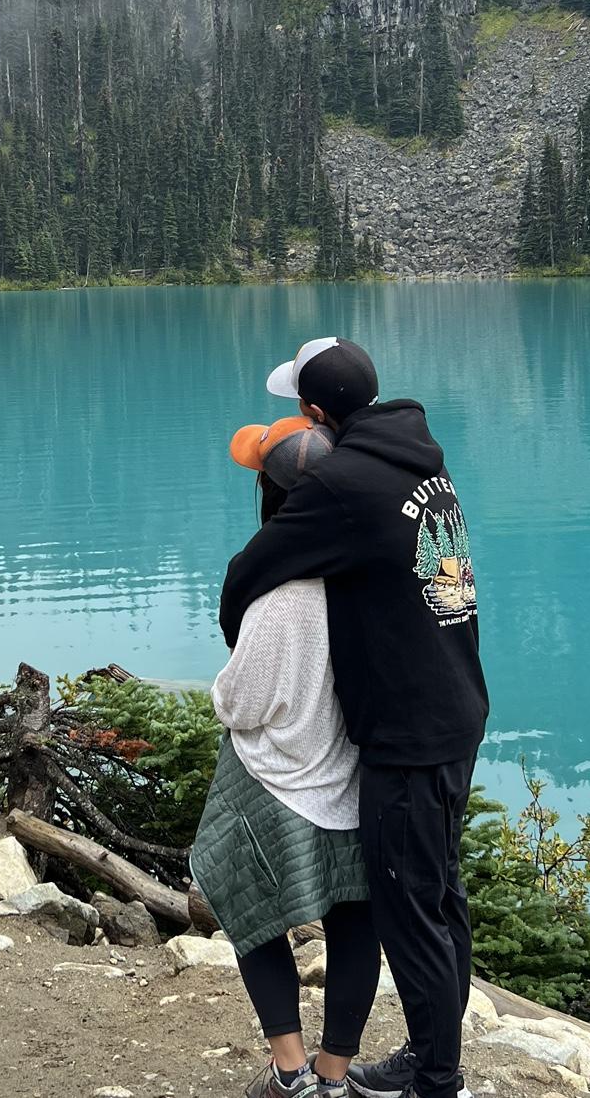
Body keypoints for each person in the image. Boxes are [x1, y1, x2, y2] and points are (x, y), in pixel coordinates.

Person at [218, 338, 489, 1098]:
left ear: (313, 412)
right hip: (458, 705)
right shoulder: (421, 462)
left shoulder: (343, 484)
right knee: (440, 898)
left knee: (410, 913)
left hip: (407, 732)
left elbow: (252, 570)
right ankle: (431, 1057)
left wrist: (239, 624)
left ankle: (436, 1081)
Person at [191, 414, 382, 1098]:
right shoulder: (369, 576)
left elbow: (240, 704)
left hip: (280, 784)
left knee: (245, 901)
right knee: (355, 921)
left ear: (271, 497)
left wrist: (221, 689)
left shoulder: (279, 595)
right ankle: (333, 1076)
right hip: (354, 784)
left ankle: (289, 1068)